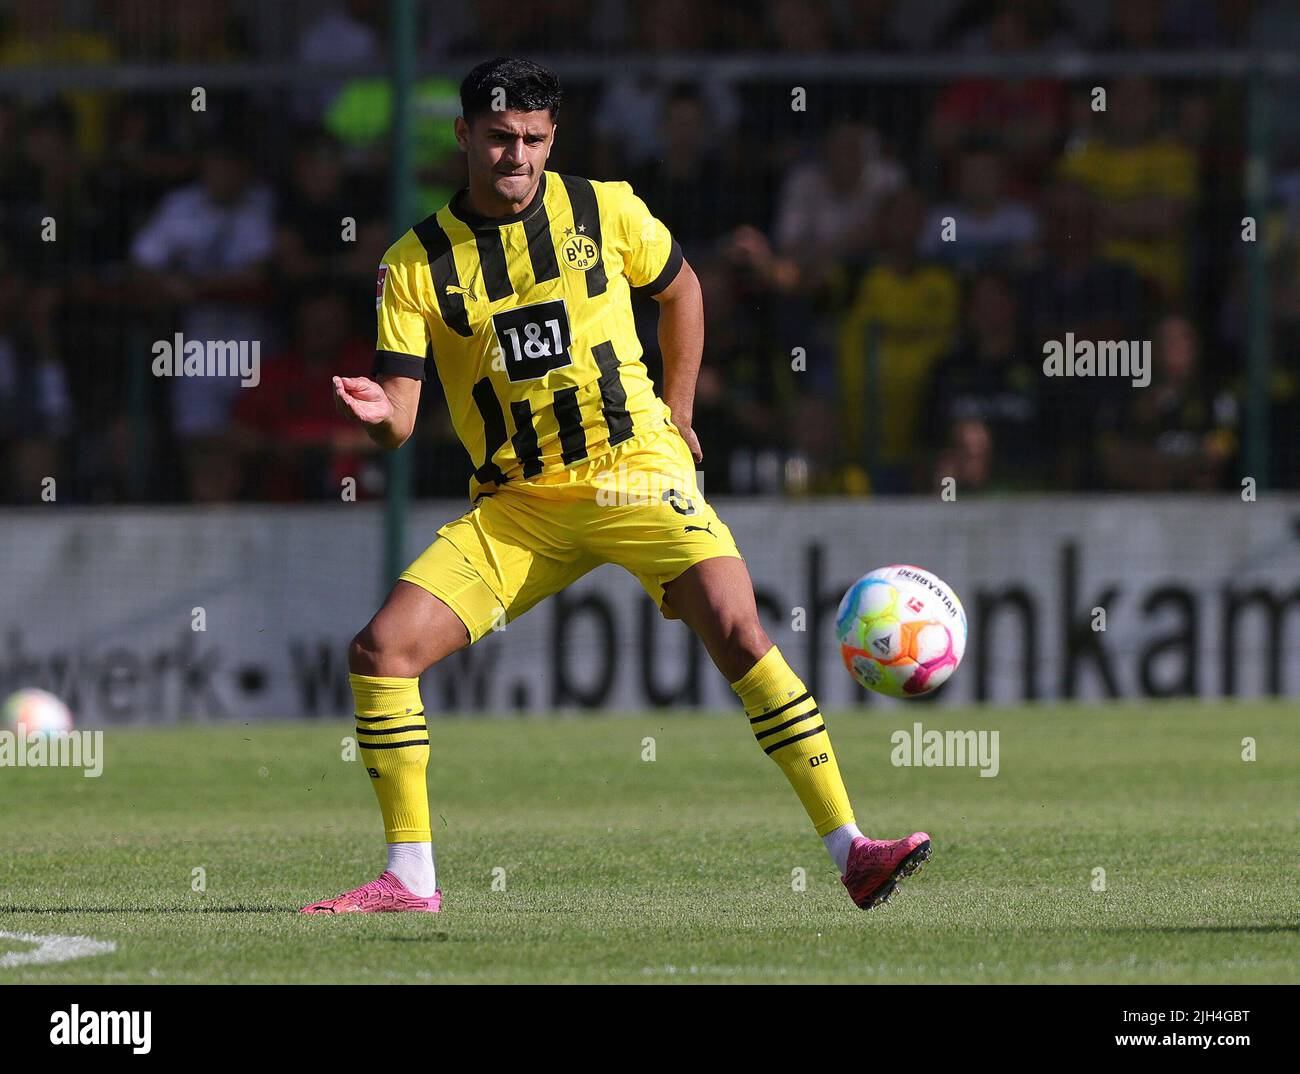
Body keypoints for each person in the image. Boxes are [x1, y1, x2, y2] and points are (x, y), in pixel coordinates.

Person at [303, 58, 929, 915]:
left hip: (632, 469)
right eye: (497, 138)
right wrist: (378, 413)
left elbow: (683, 291)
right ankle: (410, 878)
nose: (514, 155)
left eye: (531, 139)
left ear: (552, 139)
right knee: (381, 653)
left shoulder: (607, 208)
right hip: (519, 505)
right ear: (463, 137)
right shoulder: (415, 264)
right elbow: (404, 420)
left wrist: (677, 410)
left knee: (739, 628)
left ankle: (853, 849)